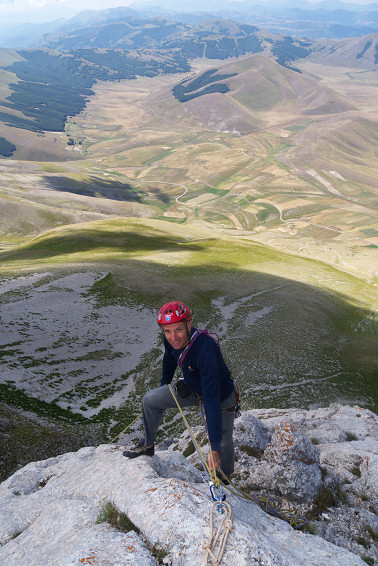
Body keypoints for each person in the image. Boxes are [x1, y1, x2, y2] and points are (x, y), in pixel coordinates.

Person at [123, 301, 237, 478]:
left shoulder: (205, 349)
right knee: (150, 400)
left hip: (220, 396)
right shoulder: (170, 340)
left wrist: (213, 449)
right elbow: (169, 360)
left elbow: (212, 399)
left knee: (223, 443)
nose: (173, 337)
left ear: (189, 325)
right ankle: (147, 445)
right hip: (192, 387)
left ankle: (225, 479)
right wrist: (164, 387)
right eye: (167, 331)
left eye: (178, 330)